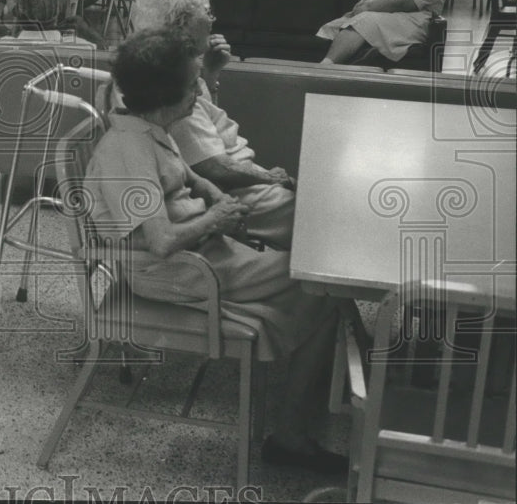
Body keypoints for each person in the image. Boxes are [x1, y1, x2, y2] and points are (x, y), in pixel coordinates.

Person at [85, 29, 344, 474]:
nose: (197, 92)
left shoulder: (149, 127)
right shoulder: (129, 150)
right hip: (174, 269)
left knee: (319, 282)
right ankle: (292, 436)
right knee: (323, 285)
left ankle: (311, 394)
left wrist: (220, 197)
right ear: (170, 94)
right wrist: (216, 219)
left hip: (204, 252)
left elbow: (191, 176)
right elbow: (161, 240)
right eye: (192, 85)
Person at [132, 0, 296, 250]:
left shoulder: (179, 63)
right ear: (180, 22)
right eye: (207, 13)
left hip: (238, 178)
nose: (212, 20)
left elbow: (206, 138)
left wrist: (210, 74)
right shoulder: (168, 81)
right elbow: (213, 168)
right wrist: (272, 177)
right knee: (317, 219)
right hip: (233, 192)